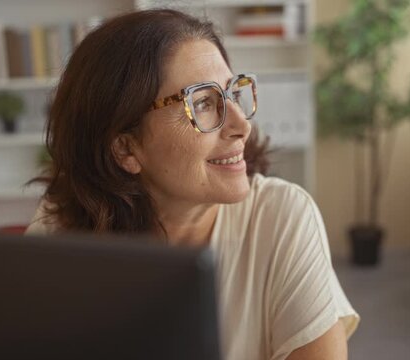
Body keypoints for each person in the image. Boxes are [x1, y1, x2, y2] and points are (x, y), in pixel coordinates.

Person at [26, 9, 359, 360]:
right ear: (126, 147)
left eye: (232, 94)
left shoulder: (281, 217)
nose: (241, 125)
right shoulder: (57, 232)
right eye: (202, 102)